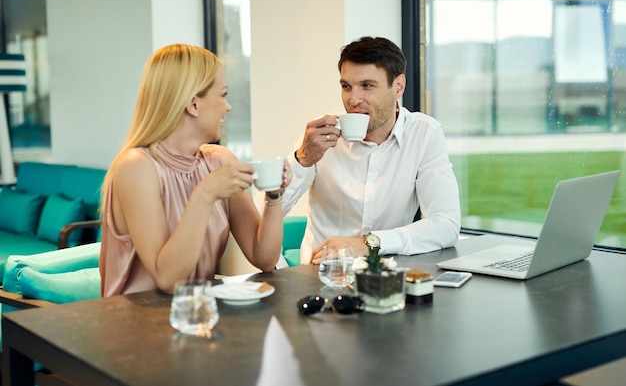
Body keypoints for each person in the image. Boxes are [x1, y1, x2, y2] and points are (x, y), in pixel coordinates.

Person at [99, 43, 291, 296]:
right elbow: (168, 279)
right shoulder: (137, 167)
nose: (228, 106)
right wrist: (205, 194)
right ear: (193, 104)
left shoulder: (220, 161)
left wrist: (274, 196)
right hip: (136, 326)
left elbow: (264, 259)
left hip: (198, 317)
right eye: (222, 95)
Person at [282, 36, 460, 264]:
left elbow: (446, 224)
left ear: (398, 87)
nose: (353, 99)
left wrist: (370, 243)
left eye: (367, 86)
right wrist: (302, 160)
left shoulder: (425, 134)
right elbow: (261, 215)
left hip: (384, 277)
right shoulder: (319, 135)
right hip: (322, 276)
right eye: (346, 86)